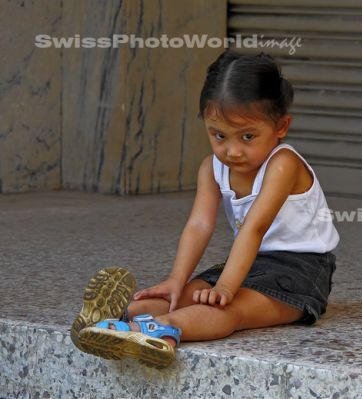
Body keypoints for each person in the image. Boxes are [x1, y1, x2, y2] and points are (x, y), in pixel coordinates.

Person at [71, 50, 340, 369]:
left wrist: (226, 286)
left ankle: (157, 331)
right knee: (188, 294)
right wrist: (176, 279)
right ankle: (114, 317)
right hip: (251, 262)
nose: (232, 150)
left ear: (281, 126)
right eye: (218, 135)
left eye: (248, 136)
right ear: (204, 123)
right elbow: (199, 225)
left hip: (301, 271)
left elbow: (254, 228)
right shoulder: (211, 168)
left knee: (231, 308)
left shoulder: (283, 164)